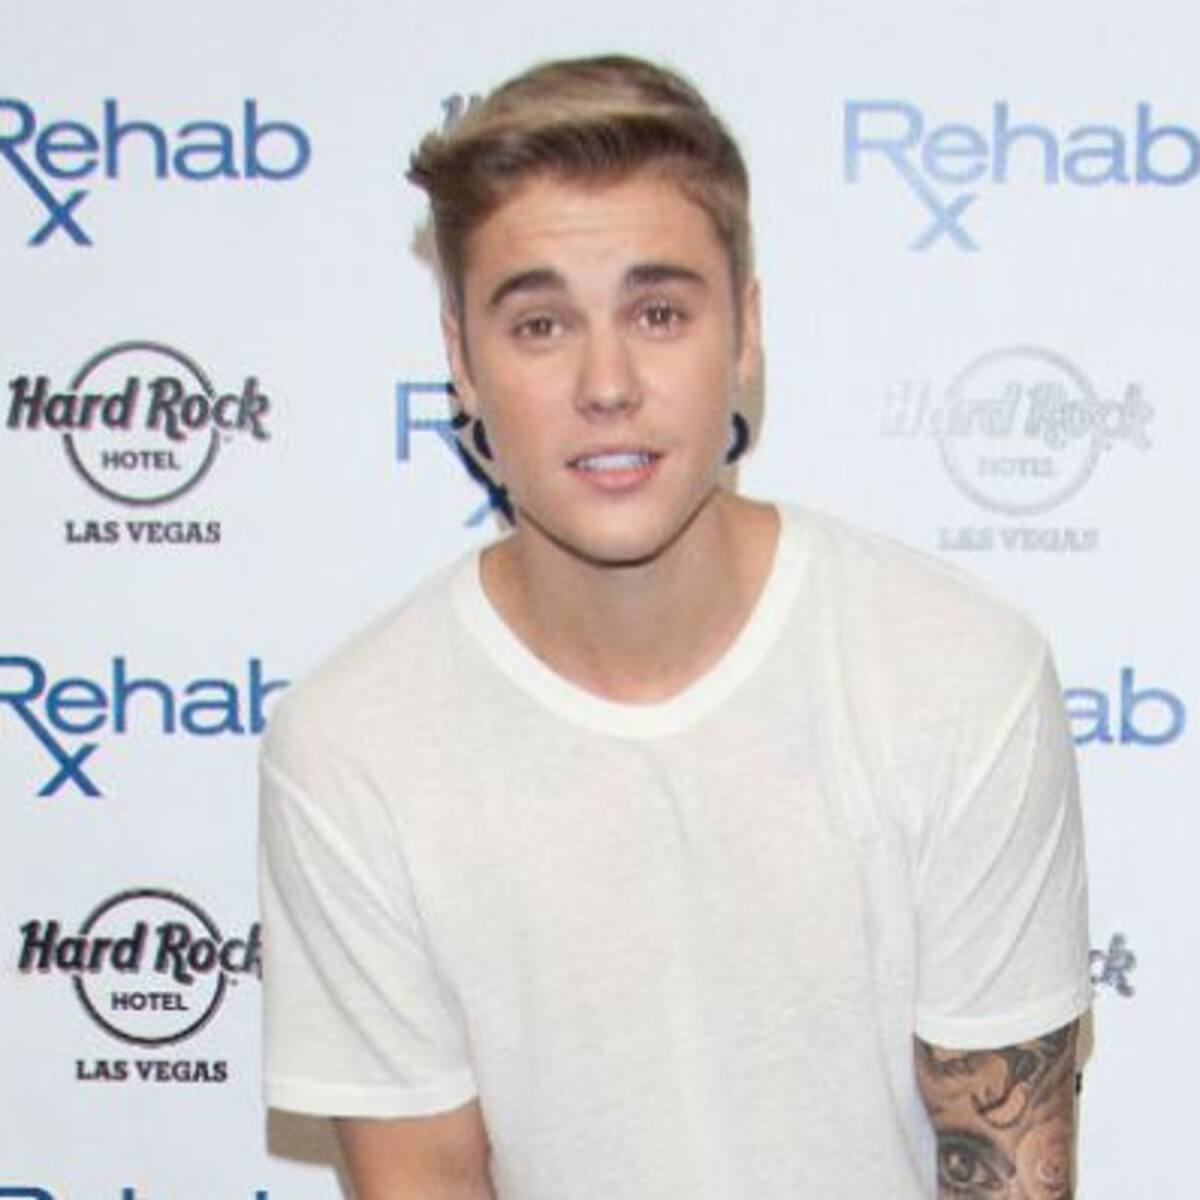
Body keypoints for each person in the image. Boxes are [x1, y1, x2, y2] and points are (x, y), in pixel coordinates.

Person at [259, 54, 1090, 1199]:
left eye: (658, 312)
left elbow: (1006, 1171)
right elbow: (425, 1179)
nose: (607, 383)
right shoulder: (353, 746)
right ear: (461, 362)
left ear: (743, 331)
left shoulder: (956, 674)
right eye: (540, 324)